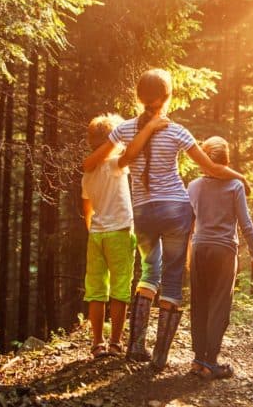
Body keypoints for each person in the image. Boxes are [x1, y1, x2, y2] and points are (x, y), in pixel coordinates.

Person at [83, 69, 250, 369]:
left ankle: (135, 346)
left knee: (149, 272)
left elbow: (101, 161)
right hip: (175, 210)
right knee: (172, 282)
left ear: (138, 97)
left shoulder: (124, 130)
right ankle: (159, 356)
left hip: (144, 213)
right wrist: (240, 177)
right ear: (167, 97)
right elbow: (211, 168)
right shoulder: (177, 131)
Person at [81, 112, 167, 358]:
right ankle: (116, 342)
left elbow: (86, 208)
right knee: (120, 288)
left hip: (96, 235)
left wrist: (94, 230)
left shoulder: (88, 172)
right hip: (119, 231)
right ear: (112, 141)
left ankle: (97, 343)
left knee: (96, 290)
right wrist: (149, 127)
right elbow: (131, 154)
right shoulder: (114, 164)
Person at [187, 136, 253, 379]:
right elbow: (246, 223)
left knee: (199, 304)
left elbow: (187, 223)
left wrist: (184, 253)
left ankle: (198, 360)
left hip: (199, 248)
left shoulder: (194, 186)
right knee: (219, 306)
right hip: (223, 252)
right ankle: (211, 362)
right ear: (226, 161)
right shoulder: (235, 186)